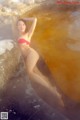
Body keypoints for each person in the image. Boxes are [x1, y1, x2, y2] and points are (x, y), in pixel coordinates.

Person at [16, 17, 64, 107]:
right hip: (28, 57)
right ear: (17, 27)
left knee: (29, 73)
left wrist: (23, 18)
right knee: (39, 74)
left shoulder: (28, 34)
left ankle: (53, 92)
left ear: (25, 26)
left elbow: (35, 19)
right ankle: (56, 92)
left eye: (23, 24)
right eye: (19, 25)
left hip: (32, 54)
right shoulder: (17, 36)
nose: (21, 26)